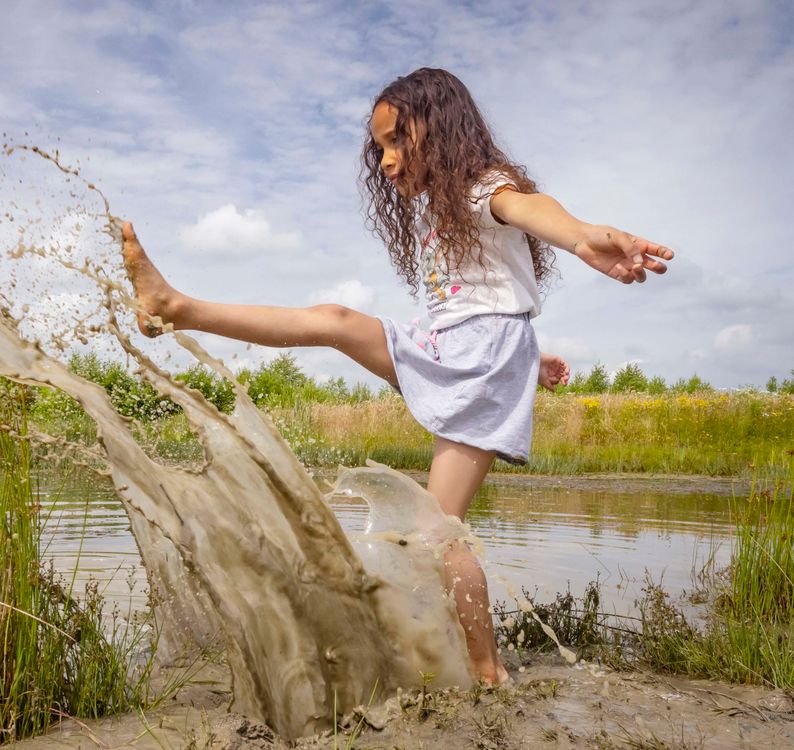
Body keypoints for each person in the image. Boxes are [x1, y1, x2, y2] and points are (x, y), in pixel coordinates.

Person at [120, 67, 673, 684]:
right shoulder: (442, 207)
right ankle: (178, 309)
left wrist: (579, 237)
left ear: (439, 133)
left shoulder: (478, 187)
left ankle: (487, 672)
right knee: (335, 321)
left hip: (478, 358)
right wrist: (526, 357)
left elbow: (528, 208)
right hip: (460, 348)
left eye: (396, 141)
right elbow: (486, 295)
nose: (384, 160)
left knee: (437, 530)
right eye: (378, 147)